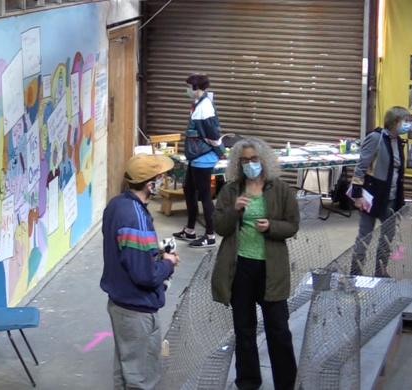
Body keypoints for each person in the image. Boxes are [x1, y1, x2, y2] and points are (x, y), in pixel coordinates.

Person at [210, 137, 299, 390]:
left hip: (272, 269)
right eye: (245, 160)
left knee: (279, 330)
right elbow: (219, 227)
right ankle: (248, 382)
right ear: (238, 164)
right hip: (240, 268)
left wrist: (272, 226)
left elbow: (293, 225)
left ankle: (287, 383)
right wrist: (234, 210)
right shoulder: (230, 191)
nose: (250, 164)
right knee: (244, 330)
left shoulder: (280, 189)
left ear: (264, 160)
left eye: (254, 159)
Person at [101, 154, 180, 390]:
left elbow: (122, 247)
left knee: (125, 371)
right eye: (161, 177)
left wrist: (153, 251)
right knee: (140, 378)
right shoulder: (135, 217)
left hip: (120, 303)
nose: (163, 180)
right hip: (136, 309)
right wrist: (168, 263)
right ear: (149, 184)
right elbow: (145, 276)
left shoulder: (117, 205)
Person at [349, 106, 409, 276]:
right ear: (395, 121)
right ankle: (355, 272)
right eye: (406, 121)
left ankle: (380, 272)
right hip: (372, 197)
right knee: (365, 236)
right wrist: (357, 196)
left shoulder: (398, 141)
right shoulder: (376, 138)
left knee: (387, 238)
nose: (408, 125)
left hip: (391, 198)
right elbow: (360, 167)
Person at [174, 73, 222, 248]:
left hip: (203, 159)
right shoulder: (198, 104)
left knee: (204, 196)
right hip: (196, 158)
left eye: (188, 87)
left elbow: (213, 134)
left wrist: (219, 150)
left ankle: (210, 235)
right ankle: (190, 230)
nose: (186, 90)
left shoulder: (205, 107)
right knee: (189, 190)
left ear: (197, 88)